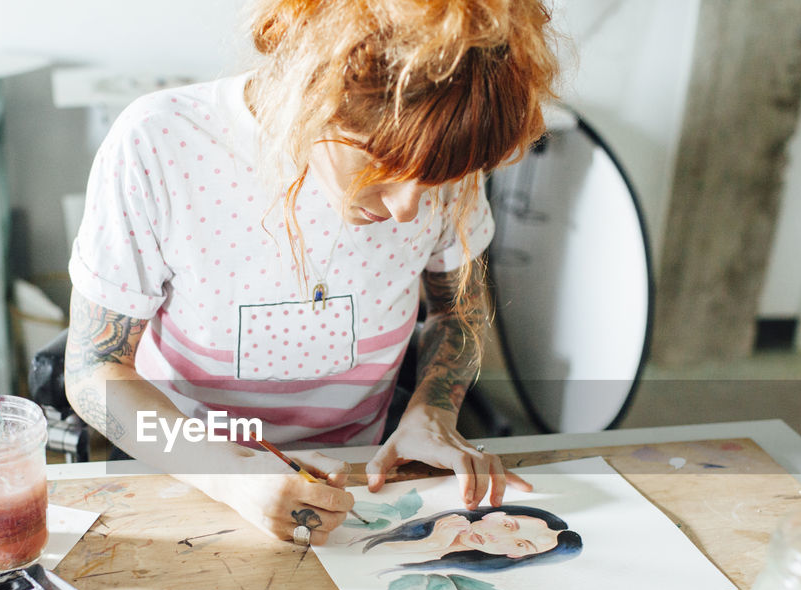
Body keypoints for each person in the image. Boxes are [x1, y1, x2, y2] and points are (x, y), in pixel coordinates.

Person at [65, 0, 559, 544]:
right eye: (383, 164)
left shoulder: (442, 151)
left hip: (363, 483)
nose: (406, 210)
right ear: (313, 91)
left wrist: (431, 412)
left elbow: (457, 308)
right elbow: (94, 369)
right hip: (188, 476)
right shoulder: (160, 144)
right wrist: (230, 475)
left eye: (436, 180)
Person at [357, 505, 583, 572]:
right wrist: (429, 541)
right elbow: (358, 557)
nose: (496, 537)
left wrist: (433, 545)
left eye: (520, 543)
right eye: (507, 525)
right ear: (494, 514)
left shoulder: (459, 567)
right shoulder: (420, 525)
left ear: (516, 555)